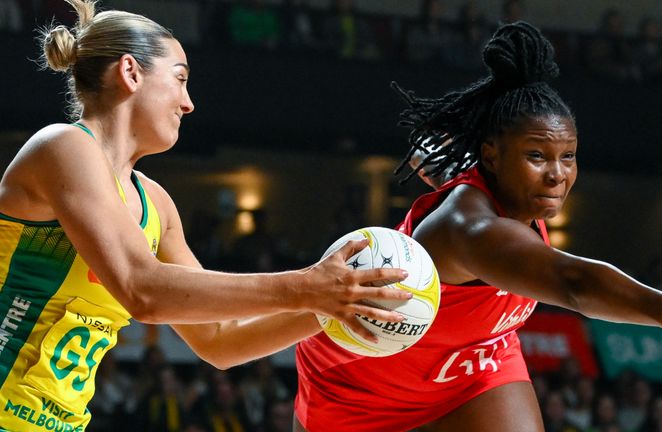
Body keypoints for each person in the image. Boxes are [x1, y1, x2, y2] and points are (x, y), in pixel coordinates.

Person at [293, 21, 662, 431]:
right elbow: (575, 283)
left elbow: (451, 169)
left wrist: (433, 161)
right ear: (493, 155)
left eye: (568, 157)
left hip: (474, 364)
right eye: (537, 156)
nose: (557, 174)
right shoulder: (471, 230)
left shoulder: (507, 191)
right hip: (362, 381)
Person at [0, 1, 411, 430]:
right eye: (180, 80)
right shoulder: (63, 147)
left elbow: (220, 340)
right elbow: (141, 289)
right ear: (130, 72)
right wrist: (306, 286)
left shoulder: (155, 203)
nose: (188, 103)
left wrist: (335, 305)